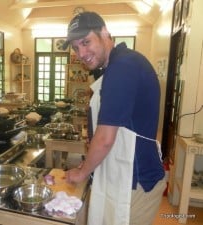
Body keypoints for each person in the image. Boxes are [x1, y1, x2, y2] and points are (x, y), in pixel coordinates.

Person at [63, 12, 166, 225]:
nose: (81, 53)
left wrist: (82, 172)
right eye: (75, 47)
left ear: (104, 33)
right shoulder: (119, 65)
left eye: (86, 42)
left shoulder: (123, 67)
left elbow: (105, 139)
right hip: (124, 174)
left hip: (136, 179)